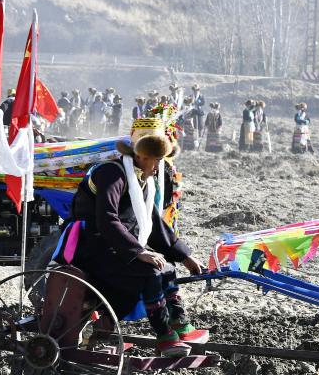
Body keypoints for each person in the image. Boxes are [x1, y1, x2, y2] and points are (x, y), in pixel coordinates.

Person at [59, 117, 208, 357]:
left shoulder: (142, 180)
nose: (158, 166)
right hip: (92, 247)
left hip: (116, 247)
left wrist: (184, 256)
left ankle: (178, 324)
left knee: (167, 268)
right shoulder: (111, 173)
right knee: (150, 271)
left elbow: (154, 225)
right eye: (157, 159)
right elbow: (107, 219)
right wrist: (139, 252)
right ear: (142, 156)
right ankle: (165, 336)